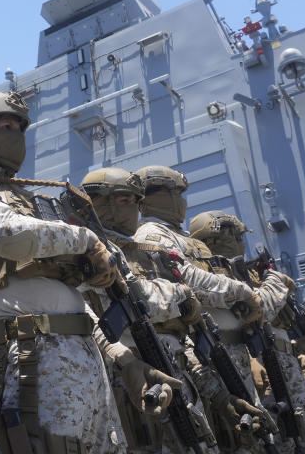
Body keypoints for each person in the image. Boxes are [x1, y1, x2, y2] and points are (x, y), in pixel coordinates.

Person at [0, 91, 177, 454]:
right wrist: (84, 239)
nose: (16, 134)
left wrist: (123, 360)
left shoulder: (24, 198)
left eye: (19, 127)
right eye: (5, 125)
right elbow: (5, 234)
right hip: (34, 357)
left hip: (85, 360)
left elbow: (67, 302)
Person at [133, 167, 286, 454]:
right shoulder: (151, 233)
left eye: (181, 193)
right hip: (209, 355)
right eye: (175, 192)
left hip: (231, 351)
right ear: (155, 195)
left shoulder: (187, 240)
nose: (181, 200)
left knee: (255, 435)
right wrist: (241, 292)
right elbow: (184, 278)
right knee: (232, 436)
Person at [80, 167, 217, 454]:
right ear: (99, 204)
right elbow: (139, 297)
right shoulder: (92, 249)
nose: (135, 209)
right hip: (131, 367)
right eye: (125, 200)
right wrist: (182, 295)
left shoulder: (141, 248)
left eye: (137, 201)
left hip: (167, 359)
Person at [188, 211, 305, 454]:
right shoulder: (216, 281)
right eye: (236, 236)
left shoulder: (244, 273)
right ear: (213, 242)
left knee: (304, 439)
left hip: (281, 368)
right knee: (274, 438)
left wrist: (297, 345)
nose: (242, 242)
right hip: (255, 374)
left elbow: (273, 324)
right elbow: (257, 311)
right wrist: (277, 283)